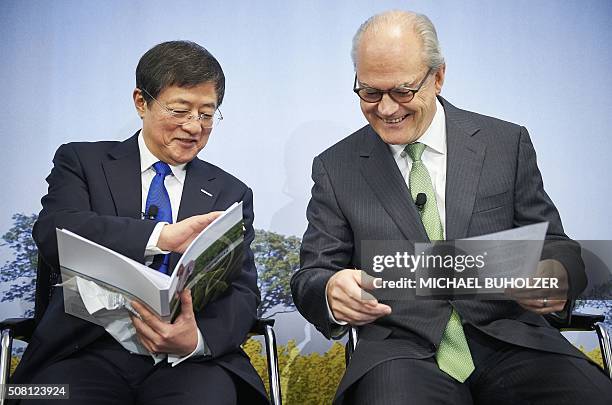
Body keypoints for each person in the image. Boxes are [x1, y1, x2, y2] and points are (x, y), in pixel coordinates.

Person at [291, 10, 612, 405]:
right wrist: (329, 290)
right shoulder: (335, 167)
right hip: (399, 353)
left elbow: (558, 247)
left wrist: (554, 274)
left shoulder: (505, 144)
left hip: (512, 341)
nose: (387, 109)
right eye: (370, 92)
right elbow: (311, 275)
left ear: (438, 76)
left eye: (403, 91)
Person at [11, 41, 268, 405]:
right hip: (82, 352)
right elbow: (55, 232)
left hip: (187, 363)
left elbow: (243, 293)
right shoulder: (82, 161)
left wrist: (195, 340)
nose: (194, 127)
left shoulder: (230, 192)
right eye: (180, 110)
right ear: (141, 102)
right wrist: (160, 236)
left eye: (207, 114)